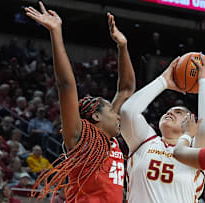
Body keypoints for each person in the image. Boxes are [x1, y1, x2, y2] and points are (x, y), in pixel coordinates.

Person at [24, 2, 135, 202]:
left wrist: (123, 46)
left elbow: (126, 89)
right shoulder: (79, 139)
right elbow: (66, 85)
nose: (118, 114)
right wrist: (56, 32)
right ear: (96, 116)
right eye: (112, 110)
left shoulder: (108, 141)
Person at [120, 54, 205, 202]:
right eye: (168, 112)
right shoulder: (145, 141)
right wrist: (163, 81)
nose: (170, 113)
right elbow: (128, 112)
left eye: (178, 112)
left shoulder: (194, 151)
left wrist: (204, 82)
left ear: (191, 121)